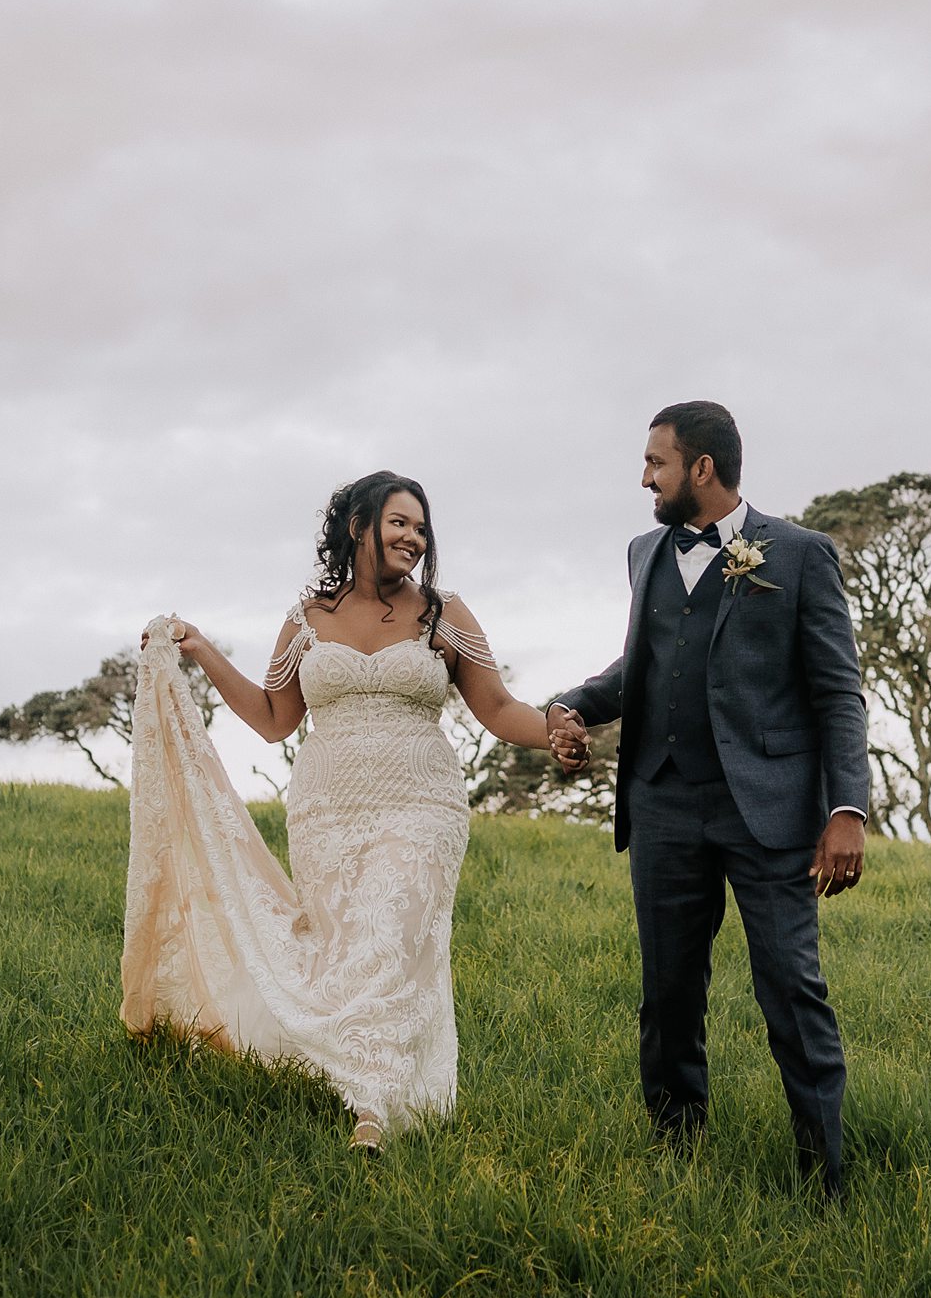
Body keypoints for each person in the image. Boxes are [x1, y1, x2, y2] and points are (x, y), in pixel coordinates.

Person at [143, 471, 560, 1150]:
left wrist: (559, 731)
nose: (414, 538)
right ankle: (363, 1075)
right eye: (400, 523)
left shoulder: (443, 612)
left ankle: (373, 1108)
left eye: (422, 528)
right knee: (349, 948)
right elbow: (277, 719)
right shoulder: (307, 618)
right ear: (359, 527)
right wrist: (201, 651)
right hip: (326, 811)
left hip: (422, 805)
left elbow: (499, 708)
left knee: (391, 926)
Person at [546, 401, 873, 1198]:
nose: (645, 478)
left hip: (769, 812)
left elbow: (838, 692)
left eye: (656, 462)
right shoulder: (644, 551)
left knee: (792, 991)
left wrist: (846, 810)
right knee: (668, 994)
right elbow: (644, 668)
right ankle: (675, 1161)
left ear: (701, 468)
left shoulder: (799, 554)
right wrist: (571, 707)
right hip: (661, 805)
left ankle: (823, 1178)